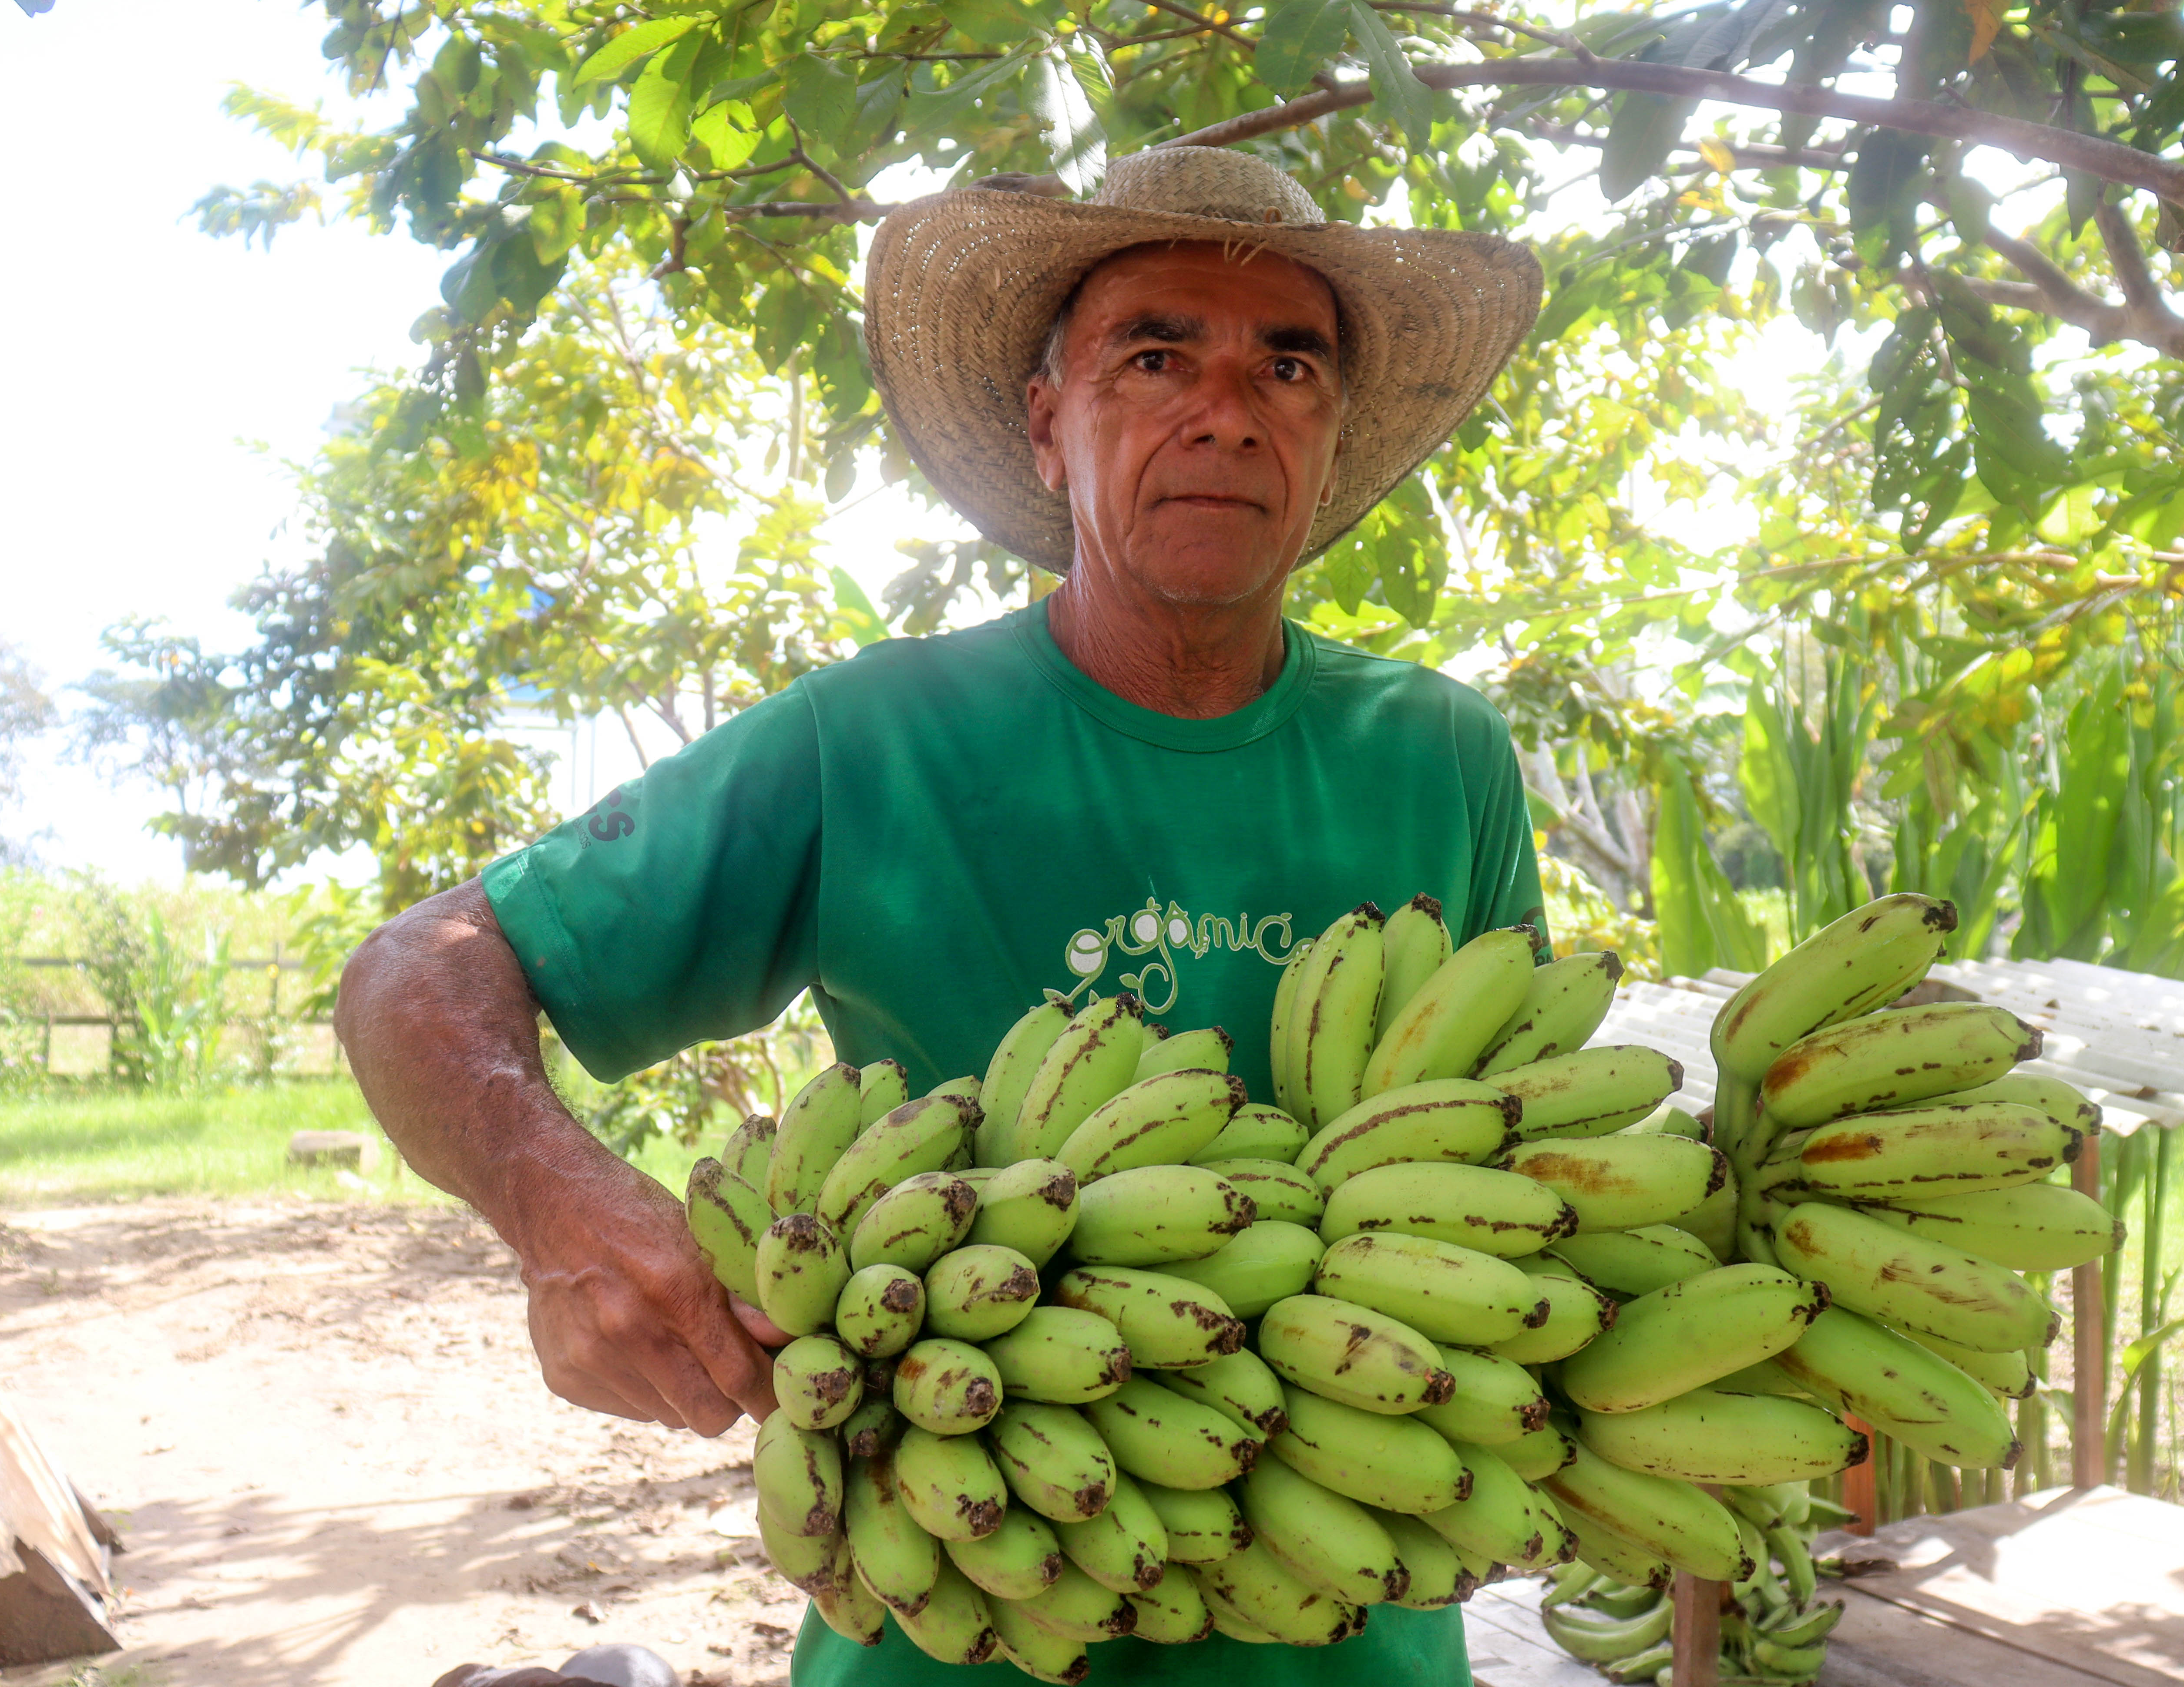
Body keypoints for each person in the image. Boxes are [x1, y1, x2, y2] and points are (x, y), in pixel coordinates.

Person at [336, 146, 1547, 1685]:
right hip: (958, 1609)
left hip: (1352, 1617)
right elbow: (415, 972)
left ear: (1331, 427)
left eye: (1287, 364)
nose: (1224, 409)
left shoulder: (1441, 756)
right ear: (1050, 424)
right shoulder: (875, 738)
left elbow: (1519, 1182)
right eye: (1154, 353)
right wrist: (558, 1204)